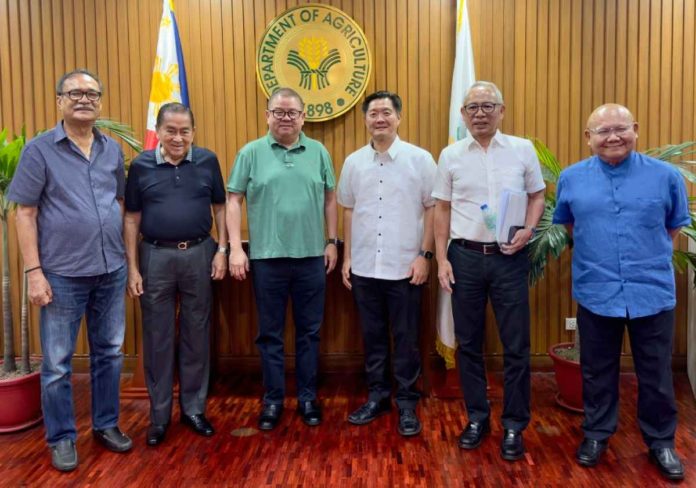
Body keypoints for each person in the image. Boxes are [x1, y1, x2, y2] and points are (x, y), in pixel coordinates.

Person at [552, 103, 689, 480]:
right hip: (597, 290)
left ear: (636, 129)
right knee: (597, 371)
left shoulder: (666, 176)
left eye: (621, 129)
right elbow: (568, 226)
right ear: (588, 138)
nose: (613, 137)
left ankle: (661, 442)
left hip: (652, 291)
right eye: (602, 131)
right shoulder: (571, 178)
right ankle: (596, 434)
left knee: (656, 373)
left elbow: (674, 227)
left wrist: (643, 255)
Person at [8, 69, 132, 471]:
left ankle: (106, 424)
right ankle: (61, 437)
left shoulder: (111, 150)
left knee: (109, 354)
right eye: (75, 93)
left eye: (92, 94)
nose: (84, 99)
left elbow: (119, 203)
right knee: (59, 363)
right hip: (61, 273)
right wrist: (34, 272)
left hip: (111, 268)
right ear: (59, 100)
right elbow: (24, 213)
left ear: (100, 102)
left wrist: (126, 260)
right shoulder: (39, 150)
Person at [432, 81, 545, 461]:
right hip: (463, 256)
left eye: (487, 105)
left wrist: (529, 230)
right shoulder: (450, 155)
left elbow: (538, 195)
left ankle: (514, 424)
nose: (480, 113)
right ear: (462, 115)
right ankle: (477, 417)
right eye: (473, 107)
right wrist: (442, 259)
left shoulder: (522, 150)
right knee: (468, 345)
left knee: (516, 346)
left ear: (501, 110)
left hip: (509, 258)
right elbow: (442, 209)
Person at [226, 87, 338, 430]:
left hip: (310, 259)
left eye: (292, 112)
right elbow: (233, 200)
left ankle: (307, 398)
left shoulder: (318, 151)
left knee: (309, 333)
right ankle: (273, 400)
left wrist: (332, 242)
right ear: (267, 115)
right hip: (267, 259)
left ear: (303, 116)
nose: (286, 118)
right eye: (279, 112)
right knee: (270, 335)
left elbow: (330, 198)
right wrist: (234, 247)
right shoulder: (250, 152)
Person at [123, 103, 227, 446]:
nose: (178, 137)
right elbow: (131, 219)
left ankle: (194, 409)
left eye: (185, 131)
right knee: (157, 338)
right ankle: (159, 417)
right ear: (159, 131)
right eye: (171, 130)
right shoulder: (140, 166)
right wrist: (133, 267)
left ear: (193, 132)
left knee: (197, 333)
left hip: (199, 253)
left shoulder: (208, 161)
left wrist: (223, 249)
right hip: (154, 255)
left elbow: (220, 207)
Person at [337, 91, 436, 437]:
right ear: (365, 119)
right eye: (373, 113)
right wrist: (348, 257)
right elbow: (348, 211)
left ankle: (407, 403)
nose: (380, 118)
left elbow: (432, 208)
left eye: (386, 113)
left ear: (398, 118)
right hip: (364, 267)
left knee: (406, 339)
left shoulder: (420, 160)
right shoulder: (353, 163)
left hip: (405, 267)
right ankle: (377, 397)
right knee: (373, 336)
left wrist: (425, 257)